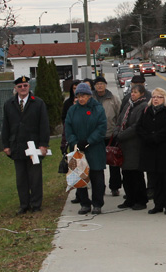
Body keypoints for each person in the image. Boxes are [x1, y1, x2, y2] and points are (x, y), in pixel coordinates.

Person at [2, 75, 50, 214]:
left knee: (35, 177)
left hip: (34, 146)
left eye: (25, 86)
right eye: (20, 86)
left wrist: (44, 144)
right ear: (16, 88)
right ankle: (24, 204)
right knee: (21, 178)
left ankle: (36, 204)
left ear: (29, 86)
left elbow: (44, 125)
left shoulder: (38, 103)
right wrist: (6, 145)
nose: (23, 88)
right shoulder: (9, 104)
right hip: (17, 145)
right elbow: (6, 126)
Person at [64, 82, 107, 214]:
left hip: (95, 148)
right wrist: (75, 142)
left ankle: (97, 203)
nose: (81, 99)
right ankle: (84, 203)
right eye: (79, 96)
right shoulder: (72, 110)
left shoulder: (97, 109)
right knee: (80, 176)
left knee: (97, 177)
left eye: (84, 96)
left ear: (89, 96)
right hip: (78, 149)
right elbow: (68, 127)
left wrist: (89, 141)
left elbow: (101, 128)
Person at [137, 87, 166, 214]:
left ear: (164, 98)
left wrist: (155, 137)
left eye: (159, 97)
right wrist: (148, 137)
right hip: (150, 152)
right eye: (154, 97)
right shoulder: (146, 111)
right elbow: (139, 127)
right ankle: (158, 205)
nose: (156, 99)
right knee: (154, 181)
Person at [116, 81, 150, 210]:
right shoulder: (128, 105)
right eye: (132, 92)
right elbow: (119, 120)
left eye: (135, 92)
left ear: (142, 94)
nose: (133, 94)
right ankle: (129, 199)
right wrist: (116, 131)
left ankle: (140, 200)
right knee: (126, 174)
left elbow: (137, 126)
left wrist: (122, 135)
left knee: (136, 175)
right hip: (124, 147)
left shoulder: (143, 106)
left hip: (135, 146)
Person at [92, 76, 123, 197]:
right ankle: (100, 187)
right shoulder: (91, 99)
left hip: (111, 135)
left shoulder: (113, 98)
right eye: (97, 84)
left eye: (102, 84)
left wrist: (117, 129)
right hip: (96, 137)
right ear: (94, 86)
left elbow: (120, 115)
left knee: (113, 163)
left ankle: (115, 187)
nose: (100, 86)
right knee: (97, 164)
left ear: (105, 85)